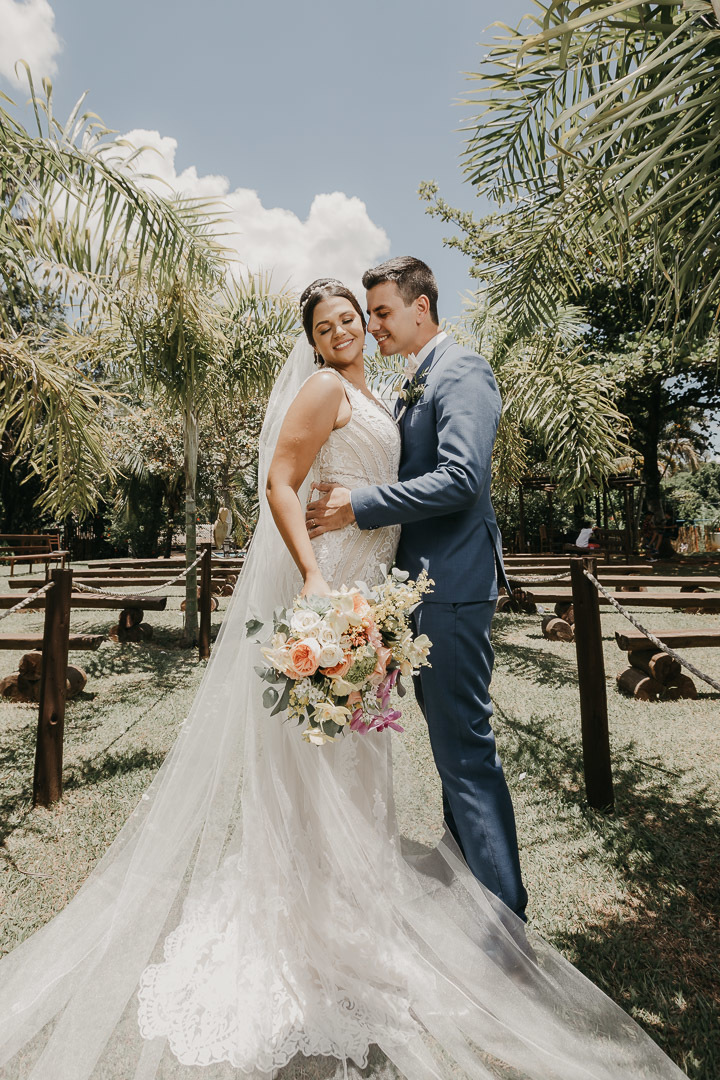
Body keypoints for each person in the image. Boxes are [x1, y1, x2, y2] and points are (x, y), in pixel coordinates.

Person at [0, 278, 687, 1080]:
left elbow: (441, 481)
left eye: (357, 318)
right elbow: (280, 485)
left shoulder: (395, 391)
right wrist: (313, 579)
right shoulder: (327, 387)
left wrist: (365, 534)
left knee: (370, 752)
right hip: (333, 586)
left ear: (379, 320)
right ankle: (323, 915)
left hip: (382, 593)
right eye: (328, 325)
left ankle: (401, 906)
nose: (346, 331)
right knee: (328, 750)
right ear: (315, 340)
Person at [305, 256, 527, 919]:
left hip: (453, 589)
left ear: (420, 308)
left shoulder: (461, 370)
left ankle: (506, 922)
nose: (371, 328)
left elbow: (463, 478)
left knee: (464, 753)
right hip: (419, 593)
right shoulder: (414, 380)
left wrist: (360, 504)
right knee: (450, 748)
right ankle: (474, 889)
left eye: (379, 313)